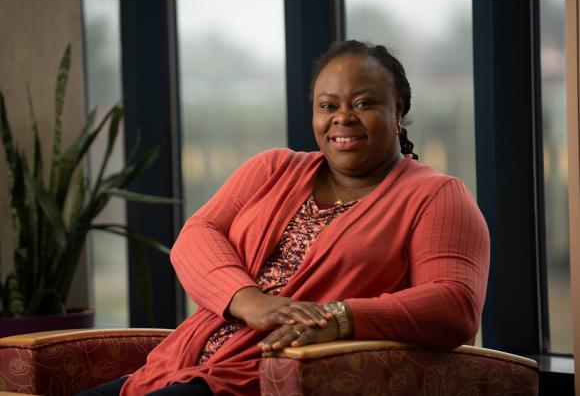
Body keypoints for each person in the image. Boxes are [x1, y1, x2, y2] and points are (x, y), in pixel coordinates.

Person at [79, 40, 489, 396]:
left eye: (364, 103)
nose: (342, 118)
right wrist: (249, 301)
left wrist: (341, 318)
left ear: (397, 108)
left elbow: (455, 303)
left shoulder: (435, 196)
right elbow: (197, 235)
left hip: (262, 379)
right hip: (173, 367)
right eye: (328, 105)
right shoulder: (274, 168)